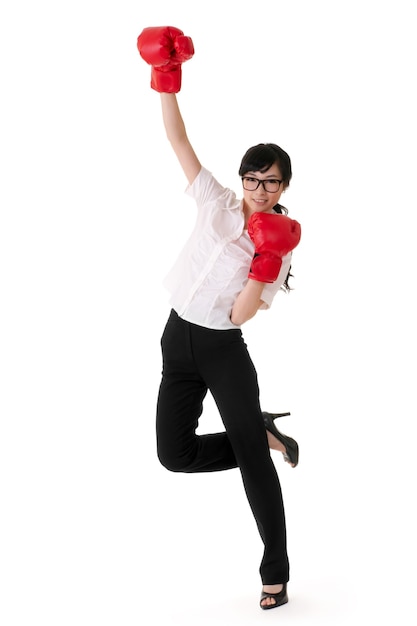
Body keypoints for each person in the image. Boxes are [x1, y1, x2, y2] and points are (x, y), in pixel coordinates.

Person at [137, 26, 302, 610]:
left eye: (272, 182)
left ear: (285, 186)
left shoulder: (280, 244)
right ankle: (256, 437)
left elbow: (242, 314)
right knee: (173, 455)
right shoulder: (214, 200)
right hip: (175, 336)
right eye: (253, 179)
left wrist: (265, 260)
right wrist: (166, 81)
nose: (260, 190)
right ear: (243, 178)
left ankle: (275, 574)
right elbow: (179, 141)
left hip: (223, 347)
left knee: (256, 472)